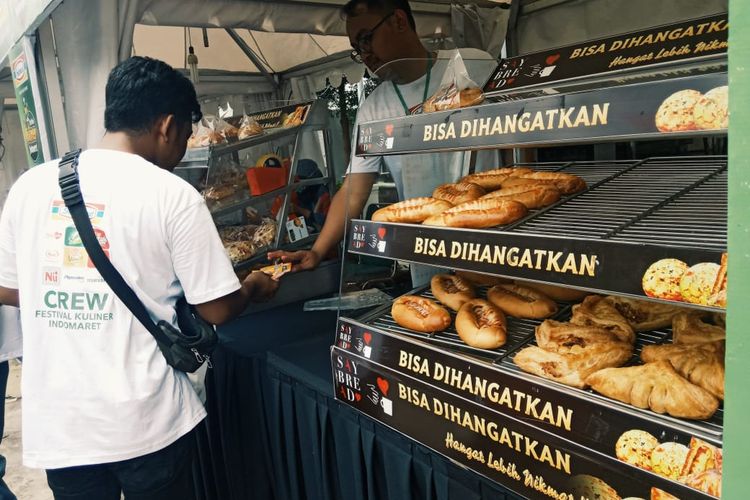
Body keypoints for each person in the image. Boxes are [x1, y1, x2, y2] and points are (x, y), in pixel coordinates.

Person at [0, 56, 278, 499]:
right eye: (185, 137)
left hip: (61, 425)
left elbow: (9, 288)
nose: (182, 150)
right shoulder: (172, 195)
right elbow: (218, 309)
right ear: (167, 126)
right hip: (146, 423)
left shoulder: (29, 187)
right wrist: (255, 286)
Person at [269, 0, 495, 276]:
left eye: (366, 39)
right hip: (428, 254)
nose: (364, 54)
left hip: (495, 236)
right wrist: (317, 250)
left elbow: (524, 136)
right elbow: (354, 188)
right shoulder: (373, 109)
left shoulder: (474, 65)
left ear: (399, 21)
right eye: (356, 48)